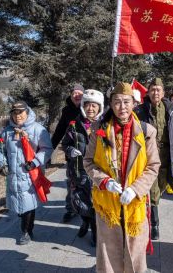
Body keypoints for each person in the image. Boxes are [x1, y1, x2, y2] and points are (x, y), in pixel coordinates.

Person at [83, 82, 160, 273]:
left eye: (126, 102)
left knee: (135, 250)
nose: (122, 107)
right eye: (117, 102)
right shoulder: (99, 129)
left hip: (135, 201)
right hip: (107, 201)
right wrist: (104, 181)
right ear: (110, 104)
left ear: (134, 103)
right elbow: (88, 162)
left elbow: (153, 166)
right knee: (108, 250)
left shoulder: (146, 131)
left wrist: (136, 189)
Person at [0, 101, 53, 245]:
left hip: (30, 173)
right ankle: (25, 223)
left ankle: (26, 231)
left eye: (20, 112)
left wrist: (34, 162)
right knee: (19, 205)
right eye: (14, 113)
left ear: (27, 112)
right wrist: (2, 164)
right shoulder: (6, 131)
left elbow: (47, 149)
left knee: (29, 203)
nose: (17, 115)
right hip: (13, 175)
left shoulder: (38, 129)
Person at [135, 77, 173, 240]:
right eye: (152, 89)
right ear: (148, 92)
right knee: (152, 191)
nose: (155, 92)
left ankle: (149, 212)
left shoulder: (171, 109)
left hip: (166, 156)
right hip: (148, 156)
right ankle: (154, 224)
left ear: (163, 92)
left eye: (158, 90)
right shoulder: (140, 110)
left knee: (161, 186)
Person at [61, 89, 104, 247]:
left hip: (97, 173)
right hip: (78, 171)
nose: (90, 109)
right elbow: (65, 144)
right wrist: (70, 150)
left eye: (94, 106)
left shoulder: (104, 126)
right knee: (80, 203)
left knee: (95, 206)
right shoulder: (74, 125)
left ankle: (95, 232)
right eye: (87, 105)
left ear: (100, 107)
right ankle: (85, 223)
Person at [52, 83, 85, 223]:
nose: (76, 95)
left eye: (79, 93)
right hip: (72, 154)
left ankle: (89, 210)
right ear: (70, 96)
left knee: (89, 184)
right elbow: (59, 130)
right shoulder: (66, 111)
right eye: (74, 93)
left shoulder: (89, 108)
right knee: (72, 183)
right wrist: (50, 148)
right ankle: (71, 209)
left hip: (89, 154)